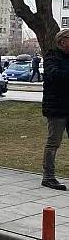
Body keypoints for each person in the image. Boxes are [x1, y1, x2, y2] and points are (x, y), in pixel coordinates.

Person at [40, 30, 69, 190]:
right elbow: (55, 76)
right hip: (57, 107)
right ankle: (48, 177)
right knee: (53, 143)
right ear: (62, 42)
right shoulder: (52, 57)